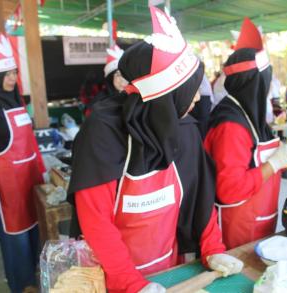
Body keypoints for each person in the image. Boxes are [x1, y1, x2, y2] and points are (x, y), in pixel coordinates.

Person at [68, 7, 243, 293]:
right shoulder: (102, 132)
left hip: (168, 267)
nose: (198, 98)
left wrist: (213, 248)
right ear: (166, 93)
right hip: (110, 276)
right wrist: (131, 284)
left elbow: (200, 195)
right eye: (191, 89)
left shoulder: (183, 129)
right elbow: (96, 222)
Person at [204, 18, 287, 249]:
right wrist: (274, 165)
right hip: (236, 229)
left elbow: (259, 157)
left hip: (260, 219)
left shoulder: (250, 114)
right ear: (255, 85)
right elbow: (229, 190)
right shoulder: (231, 127)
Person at [0, 35, 44, 293]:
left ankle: (37, 275)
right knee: (15, 238)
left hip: (29, 181)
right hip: (6, 188)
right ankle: (22, 284)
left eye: (14, 72)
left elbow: (30, 141)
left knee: (34, 231)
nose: (12, 79)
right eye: (6, 74)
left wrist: (42, 172)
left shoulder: (16, 101)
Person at [84, 44, 128, 116]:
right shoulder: (98, 104)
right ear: (110, 77)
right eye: (118, 75)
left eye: (125, 75)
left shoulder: (134, 98)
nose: (123, 80)